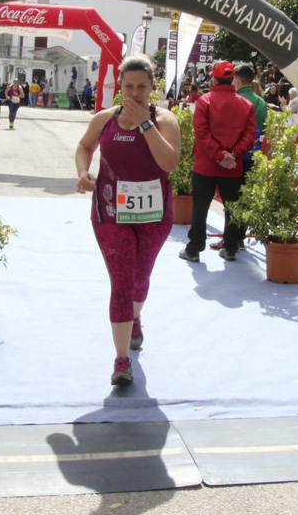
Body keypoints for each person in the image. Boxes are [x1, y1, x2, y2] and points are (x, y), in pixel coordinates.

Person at [74, 55, 180, 386]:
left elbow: (169, 163)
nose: (135, 94)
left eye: (142, 87)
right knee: (121, 281)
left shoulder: (165, 120)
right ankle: (122, 361)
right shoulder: (105, 119)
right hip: (110, 213)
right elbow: (84, 146)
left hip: (153, 215)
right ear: (120, 86)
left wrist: (145, 124)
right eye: (129, 86)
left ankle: (135, 319)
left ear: (152, 88)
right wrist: (82, 172)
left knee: (140, 276)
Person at [180, 61, 256, 263]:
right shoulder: (246, 105)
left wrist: (219, 155)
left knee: (200, 207)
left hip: (206, 164)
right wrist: (232, 154)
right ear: (232, 79)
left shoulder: (205, 101)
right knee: (232, 208)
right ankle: (230, 248)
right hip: (233, 166)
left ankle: (194, 249)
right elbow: (249, 137)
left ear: (213, 78)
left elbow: (202, 134)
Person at [212, 64, 267, 254]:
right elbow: (263, 129)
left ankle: (230, 240)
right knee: (244, 199)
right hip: (252, 154)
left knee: (231, 201)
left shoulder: (235, 99)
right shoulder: (260, 101)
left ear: (236, 79)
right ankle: (240, 238)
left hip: (232, 156)